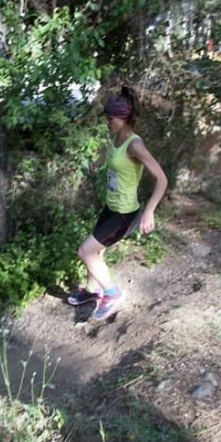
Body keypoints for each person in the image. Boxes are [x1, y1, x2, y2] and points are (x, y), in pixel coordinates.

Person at [68, 85, 168, 321]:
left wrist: (150, 211)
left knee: (85, 251)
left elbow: (162, 179)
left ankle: (112, 294)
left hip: (124, 215)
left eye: (110, 118)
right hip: (110, 207)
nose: (107, 122)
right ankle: (92, 291)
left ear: (123, 118)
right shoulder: (117, 137)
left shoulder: (135, 145)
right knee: (97, 250)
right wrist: (98, 162)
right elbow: (111, 154)